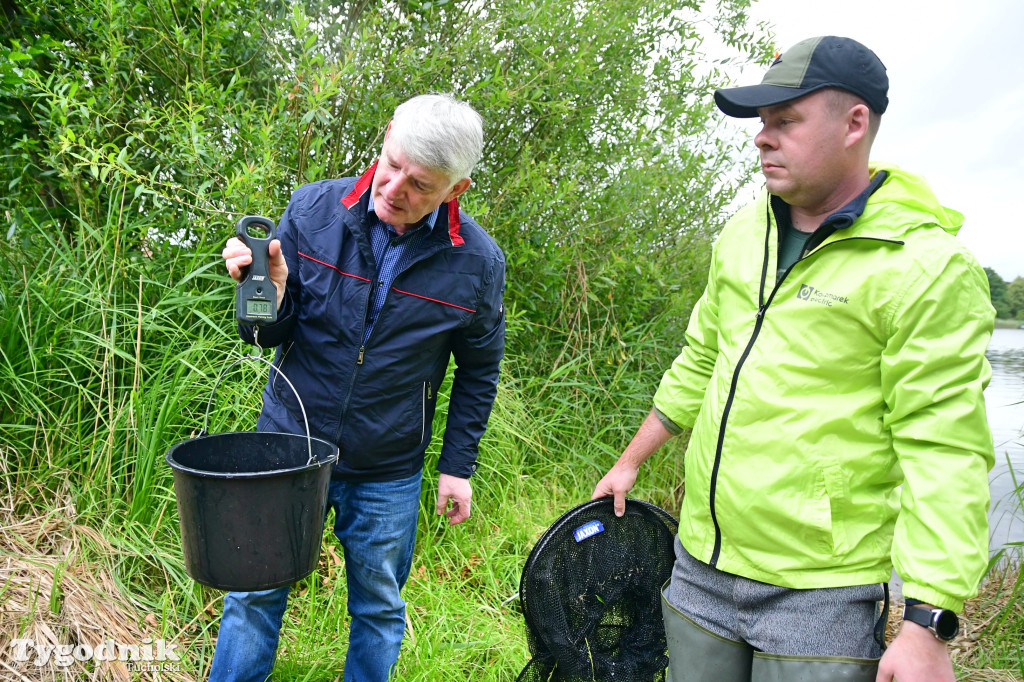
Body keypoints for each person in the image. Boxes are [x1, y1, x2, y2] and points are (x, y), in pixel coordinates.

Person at [592, 36, 994, 682]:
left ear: (853, 124)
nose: (761, 138)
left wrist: (928, 623)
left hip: (820, 595)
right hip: (699, 568)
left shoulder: (925, 266)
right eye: (761, 123)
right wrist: (630, 463)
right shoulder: (745, 231)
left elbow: (944, 450)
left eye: (786, 121)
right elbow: (701, 359)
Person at [212, 94, 505, 682]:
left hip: (387, 467)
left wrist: (457, 467)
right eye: (391, 164)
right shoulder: (314, 209)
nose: (395, 187)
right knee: (254, 593)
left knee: (378, 606)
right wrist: (264, 291)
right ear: (388, 134)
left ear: (457, 189)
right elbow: (265, 335)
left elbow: (478, 371)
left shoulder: (478, 263)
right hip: (288, 448)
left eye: (420, 184)